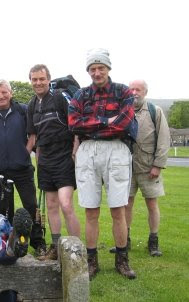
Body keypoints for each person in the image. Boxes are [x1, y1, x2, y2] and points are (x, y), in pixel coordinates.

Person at [68, 48, 137, 279]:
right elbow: (74, 124)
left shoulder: (123, 92)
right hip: (88, 151)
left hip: (117, 149)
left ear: (108, 68)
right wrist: (105, 120)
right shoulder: (80, 95)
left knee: (118, 209)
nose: (97, 72)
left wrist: (93, 122)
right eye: (92, 69)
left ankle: (122, 260)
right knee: (91, 211)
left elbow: (124, 124)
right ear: (88, 71)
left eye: (101, 68)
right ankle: (91, 261)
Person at [0, 79, 47, 256]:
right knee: (4, 209)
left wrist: (26, 152)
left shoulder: (22, 110)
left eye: (4, 92)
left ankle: (38, 242)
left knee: (31, 206)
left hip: (22, 168)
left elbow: (32, 134)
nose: (1, 96)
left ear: (11, 93)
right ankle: (8, 244)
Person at [109, 80, 170, 256]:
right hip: (126, 167)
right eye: (132, 89)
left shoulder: (154, 111)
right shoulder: (122, 111)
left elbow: (164, 140)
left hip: (148, 167)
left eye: (138, 89)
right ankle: (125, 241)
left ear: (145, 91)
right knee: (126, 204)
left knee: (151, 203)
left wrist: (158, 165)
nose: (134, 92)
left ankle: (153, 241)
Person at [27, 64, 81, 260]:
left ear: (48, 79)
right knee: (51, 205)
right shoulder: (32, 104)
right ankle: (56, 248)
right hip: (45, 161)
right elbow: (34, 137)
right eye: (34, 79)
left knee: (66, 205)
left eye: (42, 79)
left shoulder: (60, 97)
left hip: (65, 157)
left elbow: (75, 127)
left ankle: (77, 251)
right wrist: (34, 159)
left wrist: (74, 153)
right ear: (31, 81)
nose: (38, 82)